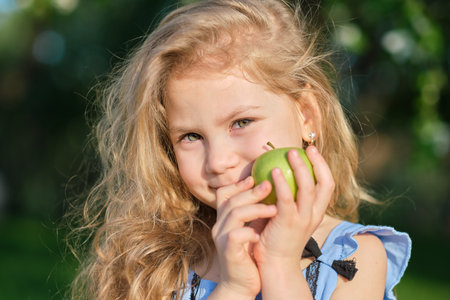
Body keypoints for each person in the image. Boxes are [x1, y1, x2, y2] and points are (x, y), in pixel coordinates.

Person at [69, 0, 411, 299]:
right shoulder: (156, 265)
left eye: (241, 123)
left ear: (306, 116)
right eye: (190, 136)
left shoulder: (354, 258)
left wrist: (279, 264)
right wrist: (233, 288)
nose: (218, 162)